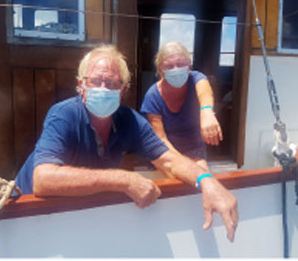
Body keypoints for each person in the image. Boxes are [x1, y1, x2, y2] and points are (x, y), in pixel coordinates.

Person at [15, 44, 238, 242]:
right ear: (81, 86)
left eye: (112, 83)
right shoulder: (63, 114)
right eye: (95, 81)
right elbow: (42, 180)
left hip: (74, 216)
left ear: (123, 91)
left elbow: (170, 160)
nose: (103, 88)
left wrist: (207, 182)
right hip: (24, 216)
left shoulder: (130, 120)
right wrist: (124, 179)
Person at [140, 42, 223, 171]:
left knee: (202, 177)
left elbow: (205, 90)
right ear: (160, 70)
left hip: (194, 149)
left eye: (180, 64)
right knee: (177, 178)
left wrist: (207, 112)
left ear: (189, 65)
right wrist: (184, 164)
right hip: (166, 151)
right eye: (169, 66)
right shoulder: (152, 96)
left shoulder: (196, 78)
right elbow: (161, 139)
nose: (176, 69)